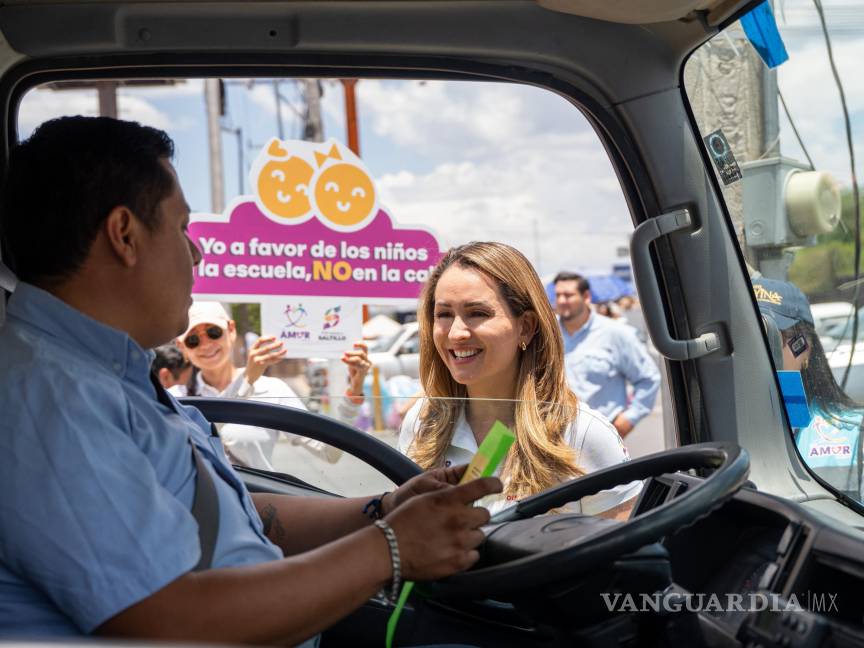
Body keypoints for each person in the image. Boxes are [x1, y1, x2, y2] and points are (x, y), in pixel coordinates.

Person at [0, 116, 500, 643]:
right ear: (124, 235)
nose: (196, 252)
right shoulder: (47, 398)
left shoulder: (102, 376)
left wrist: (381, 511)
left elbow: (231, 511)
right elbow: (170, 620)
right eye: (180, 227)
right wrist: (390, 548)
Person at [398, 242, 642, 517]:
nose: (455, 333)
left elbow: (625, 554)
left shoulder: (583, 434)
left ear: (526, 326)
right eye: (443, 314)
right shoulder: (422, 423)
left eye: (477, 313)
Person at [178, 300, 370, 468]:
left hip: (258, 505)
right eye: (193, 339)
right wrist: (246, 382)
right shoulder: (174, 397)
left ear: (231, 330)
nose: (205, 345)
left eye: (213, 332)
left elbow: (328, 453)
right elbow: (193, 443)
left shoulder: (271, 389)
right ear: (182, 348)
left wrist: (354, 392)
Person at [753, 277, 864, 501]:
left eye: (770, 338)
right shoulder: (723, 428)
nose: (758, 351)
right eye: (748, 338)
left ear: (804, 348)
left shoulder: (854, 432)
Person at [553, 271, 660, 437]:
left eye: (568, 295)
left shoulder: (616, 333)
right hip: (556, 438)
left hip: (602, 439)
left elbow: (648, 378)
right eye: (558, 295)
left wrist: (627, 421)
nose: (561, 301)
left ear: (586, 296)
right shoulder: (548, 335)